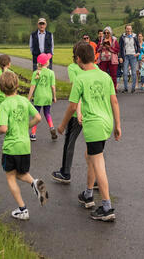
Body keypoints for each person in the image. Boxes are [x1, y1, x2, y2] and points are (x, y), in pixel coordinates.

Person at [62, 42, 122, 221]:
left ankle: (107, 207)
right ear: (94, 56)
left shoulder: (80, 78)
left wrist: (62, 125)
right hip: (105, 123)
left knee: (98, 162)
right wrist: (118, 125)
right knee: (90, 156)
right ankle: (88, 194)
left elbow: (72, 107)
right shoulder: (104, 76)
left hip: (94, 125)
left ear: (78, 59)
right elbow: (115, 102)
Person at [0, 71, 48, 220]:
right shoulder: (24, 101)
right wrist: (26, 126)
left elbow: (3, 129)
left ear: (2, 89)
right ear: (17, 85)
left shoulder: (4, 104)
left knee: (10, 176)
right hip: (25, 146)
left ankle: (23, 209)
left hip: (11, 146)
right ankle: (34, 182)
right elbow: (38, 117)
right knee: (20, 172)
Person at [53, 42, 86, 184]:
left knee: (69, 142)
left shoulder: (73, 68)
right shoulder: (95, 68)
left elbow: (76, 90)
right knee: (93, 147)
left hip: (78, 111)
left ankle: (65, 172)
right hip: (93, 112)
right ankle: (96, 179)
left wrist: (62, 124)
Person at [28, 53, 57, 141]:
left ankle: (33, 134)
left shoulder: (36, 73)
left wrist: (28, 98)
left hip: (39, 97)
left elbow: (33, 86)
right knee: (47, 113)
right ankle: (51, 127)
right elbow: (53, 86)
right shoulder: (51, 73)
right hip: (48, 96)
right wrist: (54, 96)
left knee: (36, 115)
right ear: (47, 62)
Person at [118, 24, 140, 93]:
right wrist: (120, 57)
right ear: (125, 29)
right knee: (125, 72)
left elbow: (138, 46)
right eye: (127, 28)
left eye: (129, 28)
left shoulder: (135, 36)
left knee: (133, 72)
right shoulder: (122, 37)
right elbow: (120, 48)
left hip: (133, 56)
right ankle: (126, 88)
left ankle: (133, 88)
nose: (128, 30)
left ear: (131, 29)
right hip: (126, 56)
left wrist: (138, 52)